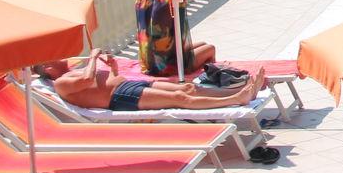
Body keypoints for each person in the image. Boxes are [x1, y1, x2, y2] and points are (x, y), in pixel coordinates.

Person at [41, 55, 264, 114]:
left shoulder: (72, 72)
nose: (60, 58)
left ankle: (237, 90)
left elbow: (108, 77)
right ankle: (235, 99)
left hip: (126, 86)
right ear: (49, 70)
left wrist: (110, 66)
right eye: (53, 60)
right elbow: (89, 80)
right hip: (119, 98)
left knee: (185, 88)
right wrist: (92, 58)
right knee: (180, 99)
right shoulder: (62, 82)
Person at [136, 0, 215, 76]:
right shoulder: (165, 4)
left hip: (148, 59)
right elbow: (178, 32)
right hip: (165, 65)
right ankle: (212, 76)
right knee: (211, 48)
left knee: (203, 44)